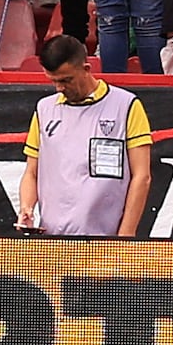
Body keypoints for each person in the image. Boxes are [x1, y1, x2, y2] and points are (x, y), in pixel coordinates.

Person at [18, 31, 151, 237]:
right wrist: (26, 207)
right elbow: (31, 172)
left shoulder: (127, 105)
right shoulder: (44, 109)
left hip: (105, 241)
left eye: (66, 80)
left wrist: (126, 235)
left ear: (86, 69)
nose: (59, 87)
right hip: (52, 241)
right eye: (53, 80)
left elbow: (142, 176)